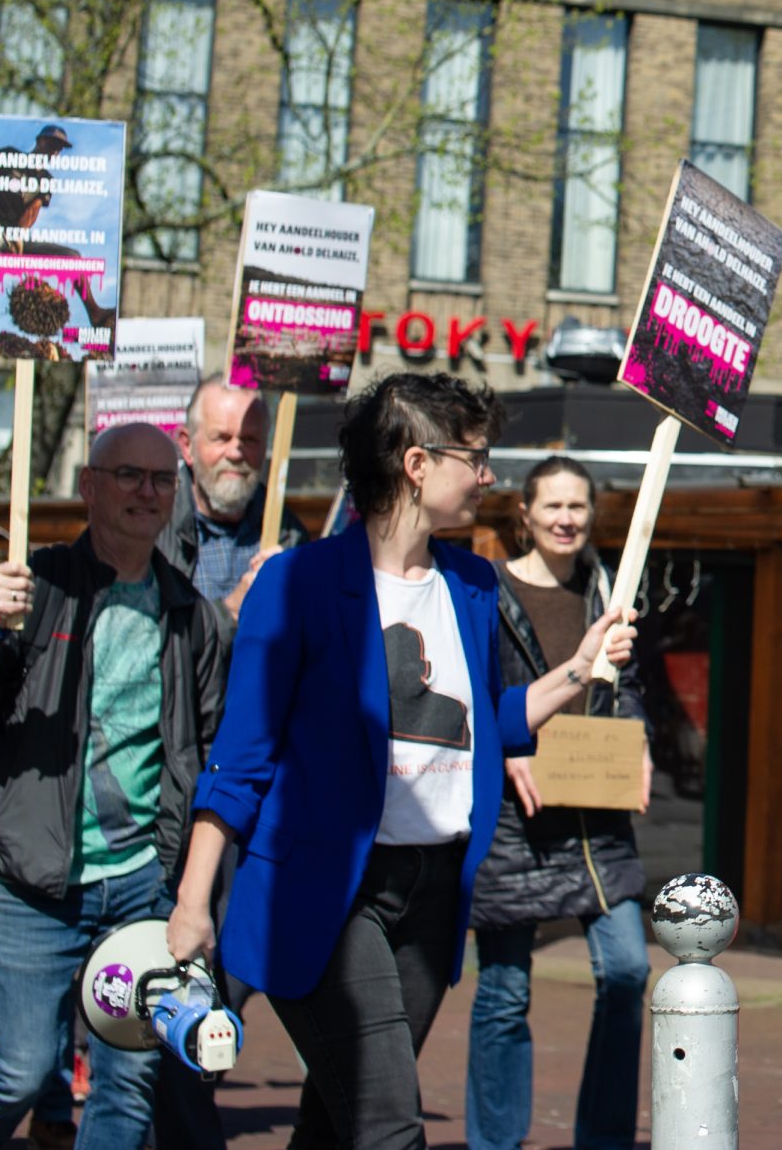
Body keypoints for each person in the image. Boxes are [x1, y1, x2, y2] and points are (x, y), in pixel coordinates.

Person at [165, 372, 639, 1150]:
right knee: (390, 1126)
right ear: (417, 463)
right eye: (475, 457)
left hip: (431, 901)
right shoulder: (300, 583)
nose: (488, 475)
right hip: (327, 894)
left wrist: (581, 666)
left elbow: (480, 726)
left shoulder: (474, 585)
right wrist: (192, 902)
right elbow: (242, 756)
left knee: (335, 1120)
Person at [0, 422, 230, 1150]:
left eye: (162, 479)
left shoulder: (195, 617)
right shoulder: (34, 587)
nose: (147, 492)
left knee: (128, 1085)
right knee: (21, 1071)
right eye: (128, 474)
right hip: (30, 883)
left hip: (140, 886)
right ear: (90, 486)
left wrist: (188, 890)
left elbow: (212, 758)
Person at [465, 457, 653, 1150]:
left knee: (630, 968)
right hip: (518, 817)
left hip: (594, 813)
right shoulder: (489, 588)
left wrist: (640, 741)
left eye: (578, 505)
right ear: (526, 513)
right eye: (553, 506)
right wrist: (507, 746)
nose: (567, 518)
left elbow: (629, 687)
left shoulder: (614, 589)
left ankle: (602, 1138)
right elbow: (475, 693)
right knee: (505, 990)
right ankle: (495, 1142)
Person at [164, 375, 276, 617]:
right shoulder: (156, 532)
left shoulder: (285, 534)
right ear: (187, 446)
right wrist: (231, 611)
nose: (236, 453)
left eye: (249, 440)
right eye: (221, 438)